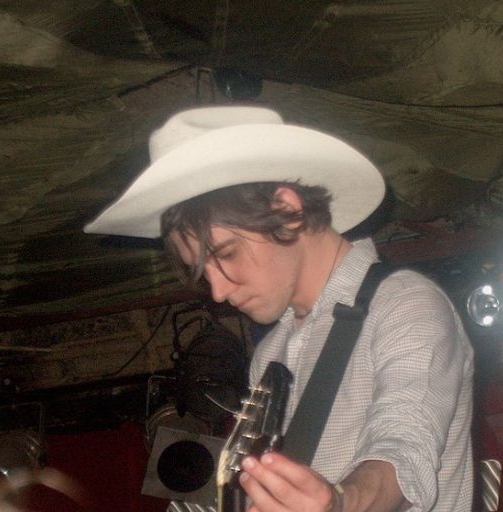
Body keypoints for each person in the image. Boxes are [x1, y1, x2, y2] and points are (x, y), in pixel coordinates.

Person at [85, 106, 474, 512]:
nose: (216, 291)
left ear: (288, 211)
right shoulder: (272, 354)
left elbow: (404, 445)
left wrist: (341, 503)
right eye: (202, 271)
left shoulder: (404, 303)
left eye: (226, 253)